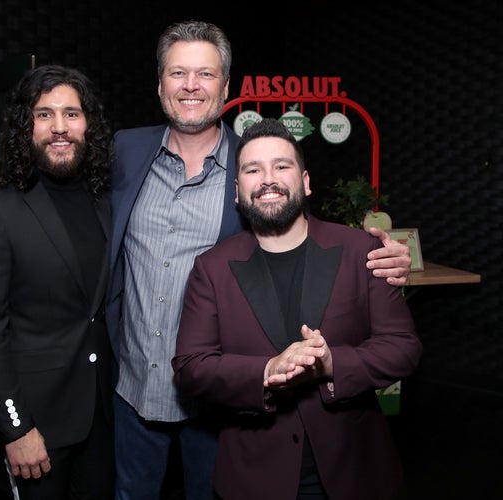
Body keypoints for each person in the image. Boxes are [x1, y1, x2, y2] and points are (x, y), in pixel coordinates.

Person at [106, 20, 412, 500]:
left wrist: (381, 258)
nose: (191, 86)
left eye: (205, 75)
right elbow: (70, 200)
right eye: (178, 73)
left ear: (226, 87)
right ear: (159, 83)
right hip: (133, 388)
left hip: (225, 407)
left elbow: (300, 238)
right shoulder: (125, 150)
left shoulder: (254, 167)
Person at [172, 118, 422, 500]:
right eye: (253, 170)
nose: (268, 179)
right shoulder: (212, 268)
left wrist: (332, 364)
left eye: (281, 166)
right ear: (237, 192)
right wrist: (268, 370)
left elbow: (403, 348)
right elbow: (191, 368)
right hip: (255, 478)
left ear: (305, 182)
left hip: (355, 470)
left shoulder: (363, 251)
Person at [0, 65, 115, 500]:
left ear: (88, 124)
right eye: (44, 115)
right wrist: (15, 428)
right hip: (36, 427)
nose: (60, 128)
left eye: (71, 113)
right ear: (24, 127)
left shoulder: (107, 202)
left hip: (104, 417)